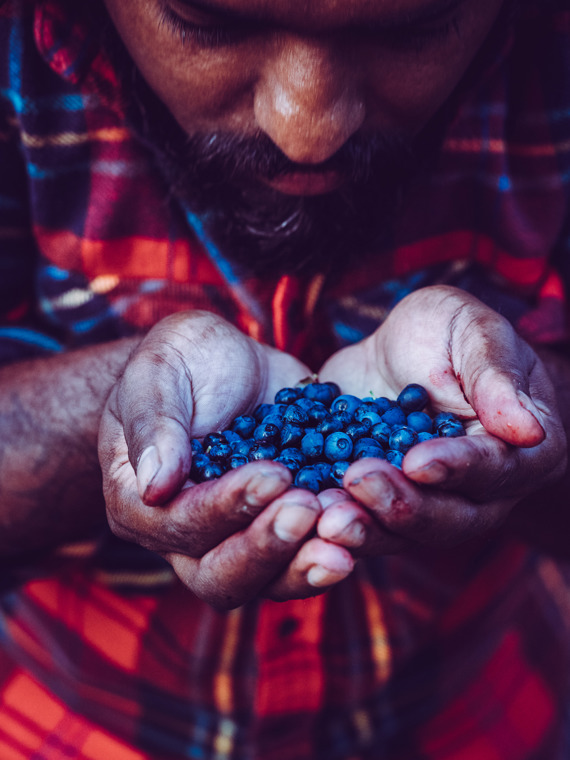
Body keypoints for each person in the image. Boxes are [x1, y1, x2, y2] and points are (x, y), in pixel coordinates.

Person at [0, 0, 569, 757]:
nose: (308, 129)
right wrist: (119, 412)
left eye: (408, 30)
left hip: (476, 717)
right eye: (211, 24)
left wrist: (526, 411)